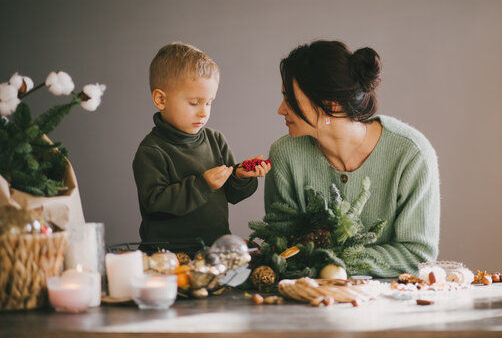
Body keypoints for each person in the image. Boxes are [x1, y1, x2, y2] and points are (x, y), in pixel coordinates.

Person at [264, 40, 440, 278]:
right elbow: (282, 248)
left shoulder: (411, 154)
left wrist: (336, 261)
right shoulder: (285, 155)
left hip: (393, 306)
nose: (281, 109)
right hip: (310, 302)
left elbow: (418, 254)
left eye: (290, 98)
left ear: (329, 103)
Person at [133, 42, 271, 255]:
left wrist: (241, 177)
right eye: (194, 102)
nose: (203, 113)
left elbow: (232, 195)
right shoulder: (152, 151)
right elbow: (156, 204)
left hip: (214, 252)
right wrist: (202, 185)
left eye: (209, 103)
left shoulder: (215, 139)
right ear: (161, 99)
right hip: (169, 257)